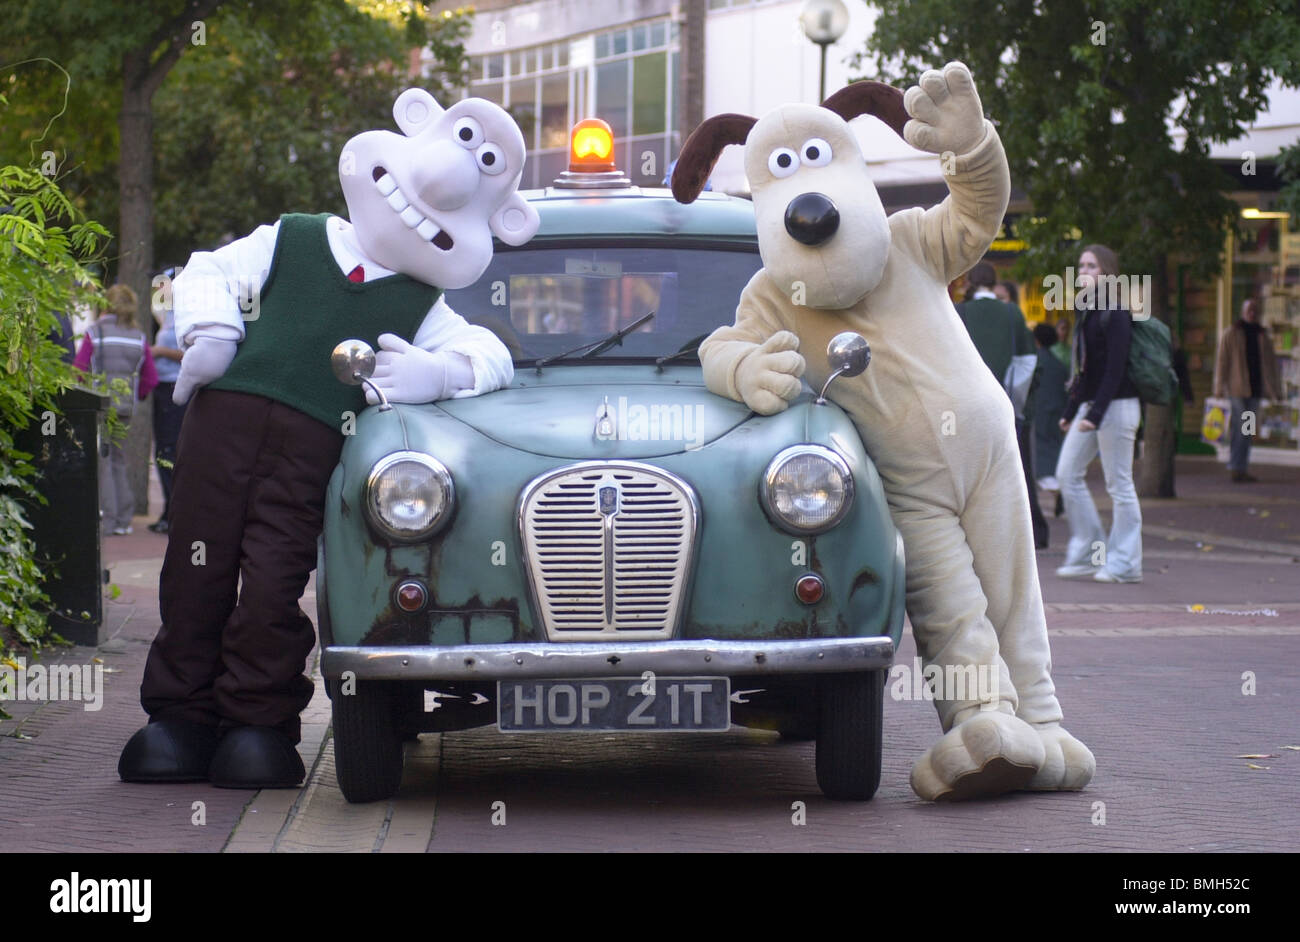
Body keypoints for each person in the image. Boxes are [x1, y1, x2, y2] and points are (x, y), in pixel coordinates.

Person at [1055, 244, 1142, 583]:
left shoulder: (1116, 312)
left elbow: (1115, 370)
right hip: (1094, 407)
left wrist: (1095, 413)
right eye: (1081, 266)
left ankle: (1124, 563)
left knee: (1119, 485)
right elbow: (1087, 371)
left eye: (1091, 266)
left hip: (1117, 407)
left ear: (1106, 272)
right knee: (1067, 474)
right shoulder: (1088, 310)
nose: (1084, 272)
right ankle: (1090, 553)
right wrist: (1072, 409)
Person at [957, 260, 1048, 547]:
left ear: (969, 282)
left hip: (966, 408)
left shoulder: (959, 313)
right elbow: (1026, 361)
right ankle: (1022, 533)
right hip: (1003, 407)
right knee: (1013, 472)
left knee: (969, 475)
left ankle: (974, 533)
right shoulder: (1011, 313)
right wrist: (1013, 403)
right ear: (995, 284)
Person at [74, 284, 159, 536]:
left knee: (104, 461)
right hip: (125, 407)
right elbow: (150, 377)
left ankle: (109, 520)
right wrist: (138, 395)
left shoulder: (96, 332)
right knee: (119, 460)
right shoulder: (139, 337)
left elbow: (79, 369)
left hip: (101, 405)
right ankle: (125, 518)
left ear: (106, 303)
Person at [1214, 298, 1282, 483]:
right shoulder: (1232, 333)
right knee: (1241, 429)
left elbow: (1270, 365)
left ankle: (1241, 467)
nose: (1252, 312)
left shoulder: (1262, 335)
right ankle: (1236, 467)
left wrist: (1275, 389)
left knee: (1247, 431)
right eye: (1249, 309)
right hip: (1238, 390)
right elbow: (1222, 361)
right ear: (1243, 312)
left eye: (1255, 309)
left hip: (1254, 391)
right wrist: (1219, 387)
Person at [148, 277, 186, 534]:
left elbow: (190, 352)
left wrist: (159, 352)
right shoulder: (167, 314)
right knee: (163, 449)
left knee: (169, 449)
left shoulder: (185, 313)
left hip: (175, 387)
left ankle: (175, 514)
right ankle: (169, 510)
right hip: (162, 387)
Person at [1032, 322, 1067, 494]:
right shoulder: (1059, 364)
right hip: (1058, 407)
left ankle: (1045, 476)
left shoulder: (1034, 360)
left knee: (1040, 442)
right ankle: (1055, 475)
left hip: (1039, 407)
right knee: (1055, 442)